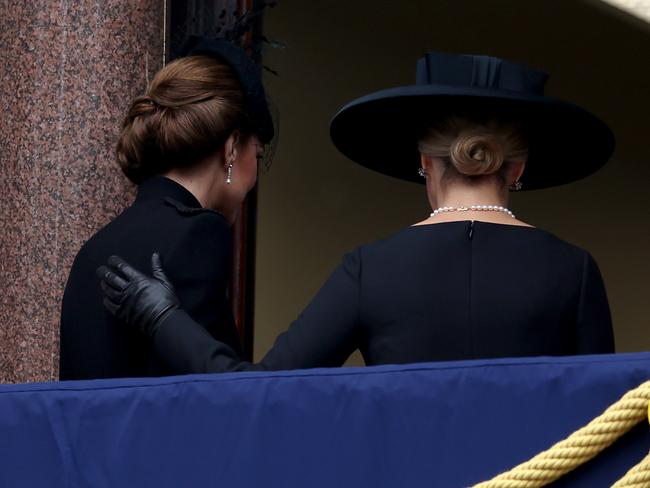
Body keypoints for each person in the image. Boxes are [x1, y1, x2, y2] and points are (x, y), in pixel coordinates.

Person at [97, 52, 615, 374]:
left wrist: (163, 318)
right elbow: (605, 429)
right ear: (517, 166)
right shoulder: (575, 271)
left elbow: (261, 393)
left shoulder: (371, 270)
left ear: (422, 162)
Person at [59, 37, 274, 379]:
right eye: (257, 155)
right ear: (232, 147)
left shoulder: (93, 249)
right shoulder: (200, 231)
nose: (254, 178)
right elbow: (210, 389)